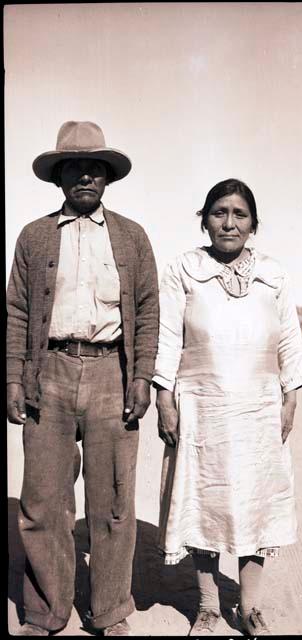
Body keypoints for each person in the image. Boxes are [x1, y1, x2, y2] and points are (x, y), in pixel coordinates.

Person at [6, 121, 159, 636]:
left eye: (95, 168)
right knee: (43, 500)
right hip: (46, 372)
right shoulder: (33, 236)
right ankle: (47, 611)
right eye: (74, 167)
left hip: (112, 372)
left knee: (113, 501)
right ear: (59, 178)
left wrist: (141, 377)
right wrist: (12, 379)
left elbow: (147, 312)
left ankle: (111, 611)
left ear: (108, 177)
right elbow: (18, 313)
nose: (85, 176)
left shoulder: (133, 237)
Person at [153, 178, 302, 636]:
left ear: (253, 224)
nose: (229, 222)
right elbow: (166, 334)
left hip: (259, 406)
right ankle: (207, 606)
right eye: (219, 212)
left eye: (239, 214)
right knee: (204, 499)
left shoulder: (274, 275)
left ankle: (250, 606)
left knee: (255, 503)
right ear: (205, 219)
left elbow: (290, 339)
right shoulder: (184, 268)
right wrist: (164, 395)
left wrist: (290, 394)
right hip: (200, 404)